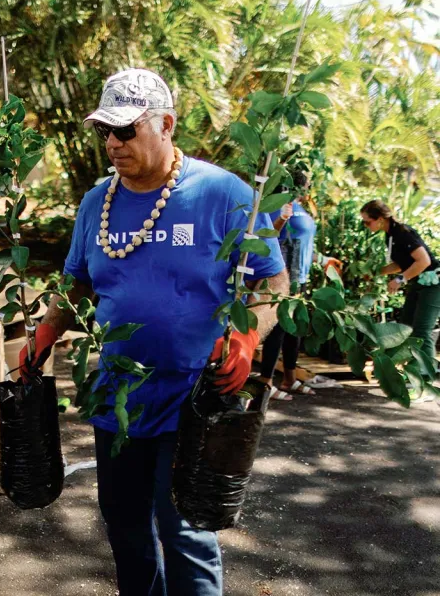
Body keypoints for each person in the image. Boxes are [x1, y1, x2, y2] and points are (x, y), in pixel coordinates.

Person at [20, 68, 289, 596]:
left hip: (195, 396)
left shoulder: (223, 194)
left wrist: (248, 335)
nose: (114, 144)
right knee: (124, 526)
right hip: (118, 396)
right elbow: (76, 282)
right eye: (106, 133)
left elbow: (274, 281)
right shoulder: (96, 202)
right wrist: (45, 334)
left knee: (184, 530)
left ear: (166, 124)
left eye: (126, 131)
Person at [258, 174, 341, 401]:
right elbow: (267, 238)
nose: (307, 190)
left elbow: (304, 246)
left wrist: (323, 260)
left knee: (294, 330)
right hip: (283, 278)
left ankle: (289, 378)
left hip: (300, 278)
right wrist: (282, 218)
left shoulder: (301, 210)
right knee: (278, 329)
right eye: (305, 186)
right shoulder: (279, 207)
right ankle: (265, 382)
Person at [360, 199, 440, 401]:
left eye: (367, 222)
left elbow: (424, 261)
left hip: (433, 283)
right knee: (407, 328)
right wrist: (376, 272)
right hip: (419, 283)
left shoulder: (403, 232)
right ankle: (413, 375)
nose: (365, 226)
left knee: (422, 331)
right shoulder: (391, 234)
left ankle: (425, 384)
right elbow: (402, 263)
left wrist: (400, 279)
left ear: (379, 219)